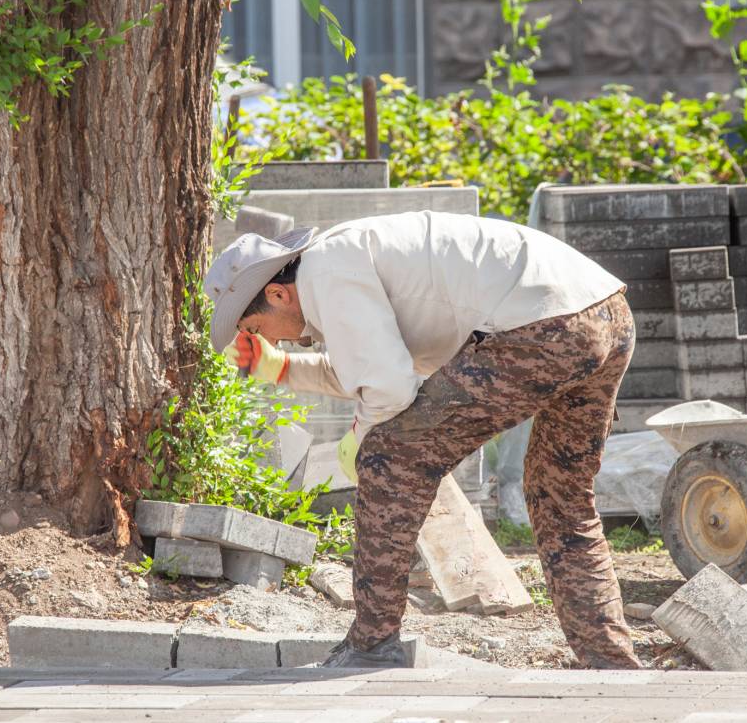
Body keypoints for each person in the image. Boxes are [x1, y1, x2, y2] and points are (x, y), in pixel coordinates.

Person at [204, 210, 641, 669]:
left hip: (542, 329)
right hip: (603, 313)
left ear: (276, 293)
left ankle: (372, 644)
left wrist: (360, 438)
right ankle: (611, 661)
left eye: (255, 328)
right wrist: (282, 369)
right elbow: (372, 367)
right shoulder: (341, 262)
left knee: (389, 458)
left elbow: (389, 390)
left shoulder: (324, 274)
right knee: (560, 496)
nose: (269, 340)